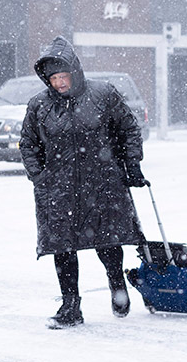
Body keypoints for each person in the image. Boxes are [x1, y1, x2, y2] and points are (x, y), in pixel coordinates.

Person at [19, 37, 148, 329]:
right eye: (53, 78)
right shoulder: (39, 105)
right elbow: (28, 143)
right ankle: (71, 306)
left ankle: (117, 286)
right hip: (59, 190)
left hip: (102, 184)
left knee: (108, 239)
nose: (60, 83)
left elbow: (128, 129)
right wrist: (39, 176)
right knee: (63, 248)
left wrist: (132, 165)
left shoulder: (103, 94)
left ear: (74, 73)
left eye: (63, 76)